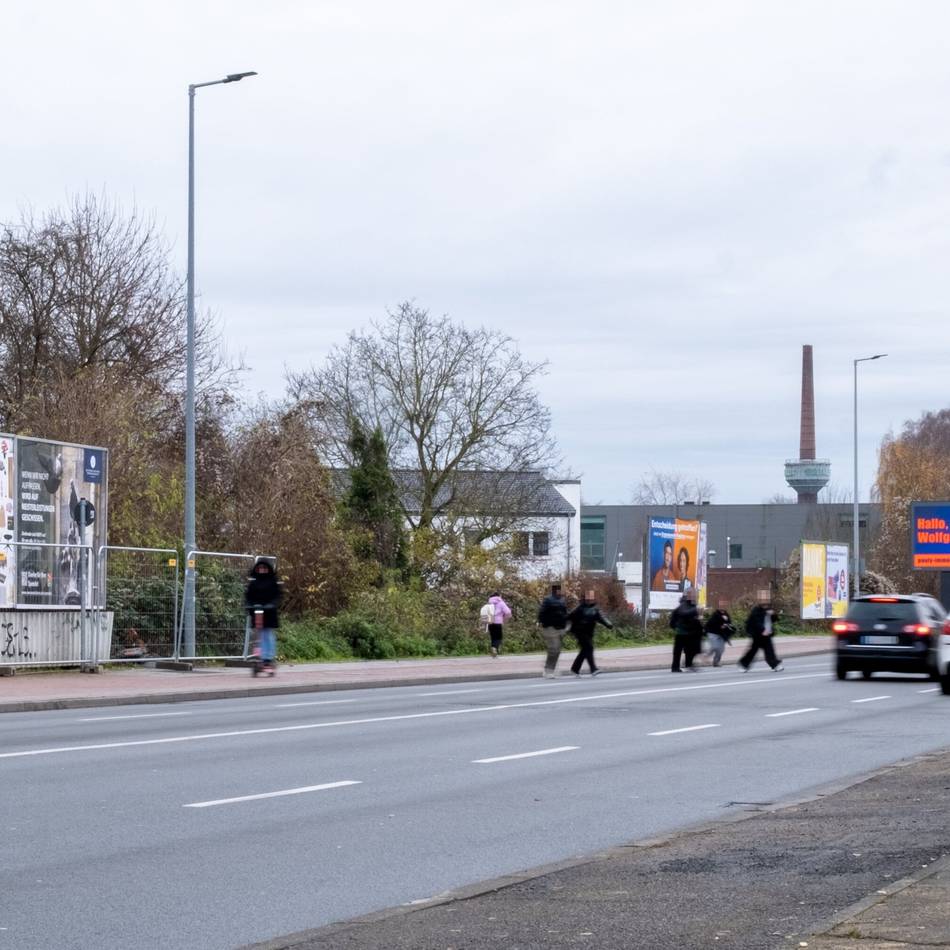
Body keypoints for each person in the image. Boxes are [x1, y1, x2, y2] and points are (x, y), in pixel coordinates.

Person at [245, 558, 282, 674]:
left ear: (268, 569)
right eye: (260, 568)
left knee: (267, 634)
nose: (262, 570)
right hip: (257, 612)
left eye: (264, 568)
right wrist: (250, 605)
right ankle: (259, 657)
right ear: (257, 569)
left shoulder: (273, 581)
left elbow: (278, 595)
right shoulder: (254, 582)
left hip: (269, 613)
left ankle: (268, 658)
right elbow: (248, 596)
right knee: (258, 635)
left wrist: (272, 604)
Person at [568, 589, 613, 676]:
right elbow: (570, 617)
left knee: (585, 651)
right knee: (589, 648)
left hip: (589, 633)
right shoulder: (579, 608)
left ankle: (575, 669)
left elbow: (601, 618)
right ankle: (593, 669)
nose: (589, 600)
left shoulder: (595, 609)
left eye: (591, 598)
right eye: (587, 598)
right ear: (584, 599)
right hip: (580, 632)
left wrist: (608, 624)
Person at [738, 590, 784, 672]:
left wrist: (773, 614)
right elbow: (757, 622)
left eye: (767, 603)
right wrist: (763, 630)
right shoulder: (756, 610)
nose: (766, 605)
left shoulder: (769, 609)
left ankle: (775, 665)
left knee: (769, 650)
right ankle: (743, 664)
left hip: (766, 634)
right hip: (757, 634)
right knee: (753, 651)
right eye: (764, 603)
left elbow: (775, 619)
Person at [537, 582, 568, 678]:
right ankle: (548, 671)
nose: (560, 591)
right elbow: (541, 612)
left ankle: (550, 669)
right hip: (549, 627)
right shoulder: (548, 599)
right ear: (555, 590)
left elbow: (565, 613)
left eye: (561, 589)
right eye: (559, 589)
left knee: (557, 650)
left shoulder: (562, 600)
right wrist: (540, 621)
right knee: (554, 648)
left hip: (560, 627)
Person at [669, 590, 703, 672]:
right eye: (694, 595)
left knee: (690, 650)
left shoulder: (692, 605)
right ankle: (676, 667)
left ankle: (687, 665)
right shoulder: (684, 604)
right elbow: (683, 613)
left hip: (689, 632)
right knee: (679, 651)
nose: (695, 596)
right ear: (689, 595)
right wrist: (696, 611)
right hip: (683, 632)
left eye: (696, 595)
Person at [704, 599, 735, 667]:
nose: (723, 606)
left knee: (721, 649)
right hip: (712, 632)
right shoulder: (715, 614)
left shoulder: (727, 615)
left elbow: (729, 624)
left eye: (724, 605)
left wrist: (727, 626)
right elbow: (711, 624)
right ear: (719, 606)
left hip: (721, 634)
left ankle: (716, 662)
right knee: (715, 647)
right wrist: (720, 626)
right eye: (721, 605)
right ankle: (706, 656)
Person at [486, 591, 511, 657]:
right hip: (498, 622)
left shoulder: (489, 603)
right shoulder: (501, 603)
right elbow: (508, 612)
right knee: (499, 637)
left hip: (490, 622)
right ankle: (494, 648)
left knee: (493, 637)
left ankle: (494, 651)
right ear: (499, 596)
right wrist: (505, 618)